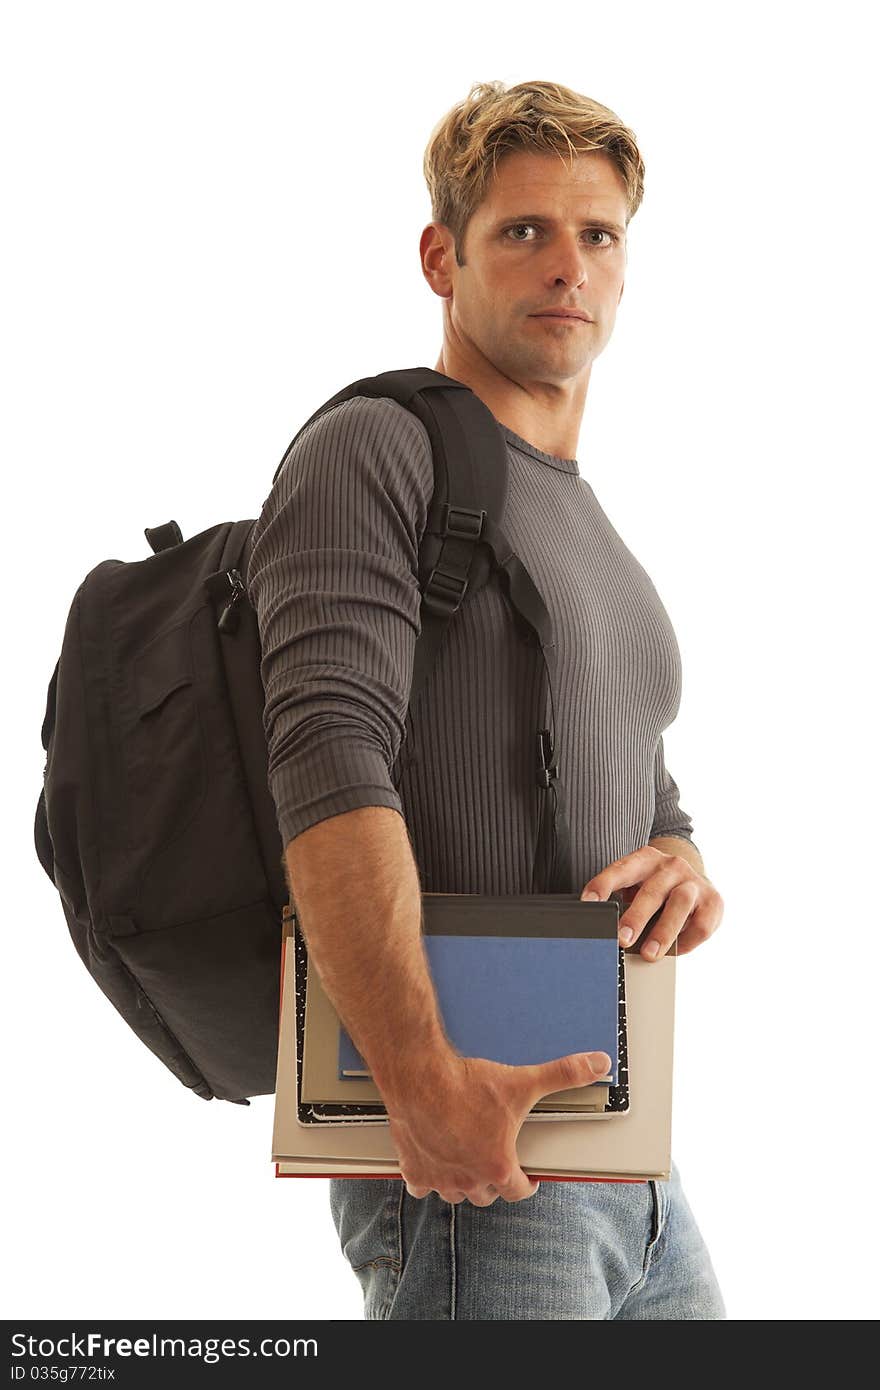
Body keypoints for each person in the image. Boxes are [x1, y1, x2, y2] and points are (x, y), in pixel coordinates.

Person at [245, 78, 726, 1319]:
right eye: (522, 230)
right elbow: (327, 751)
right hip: (472, 1161)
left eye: (597, 234)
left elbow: (627, 762)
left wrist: (676, 850)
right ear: (440, 256)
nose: (566, 264)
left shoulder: (583, 517)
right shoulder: (380, 447)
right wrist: (418, 1080)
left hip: (629, 1159)